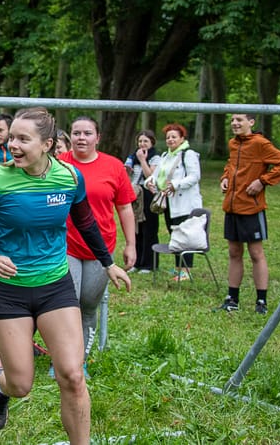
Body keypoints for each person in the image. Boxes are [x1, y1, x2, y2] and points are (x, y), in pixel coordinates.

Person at [0, 107, 131, 440]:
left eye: (23, 139)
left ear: (47, 144)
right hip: (9, 291)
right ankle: (0, 387)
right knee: (21, 384)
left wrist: (107, 262)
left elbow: (85, 222)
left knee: (72, 375)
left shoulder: (68, 177)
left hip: (55, 286)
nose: (13, 145)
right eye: (12, 137)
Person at [59, 116, 136, 371]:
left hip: (100, 248)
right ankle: (64, 360)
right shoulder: (59, 164)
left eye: (87, 133)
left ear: (98, 137)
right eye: (76, 133)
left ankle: (80, 360)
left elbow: (125, 207)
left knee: (88, 304)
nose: (81, 138)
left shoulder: (113, 167)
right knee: (67, 304)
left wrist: (131, 244)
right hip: (66, 244)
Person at [217, 113, 280, 314]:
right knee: (234, 252)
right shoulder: (233, 144)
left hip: (251, 208)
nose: (235, 123)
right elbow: (231, 164)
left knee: (256, 254)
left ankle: (261, 302)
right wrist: (225, 177)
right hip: (232, 207)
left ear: (251, 122)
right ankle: (232, 298)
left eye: (239, 120)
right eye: (232, 120)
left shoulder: (261, 143)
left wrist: (262, 181)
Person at [144, 123, 203, 281]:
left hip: (185, 204)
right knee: (175, 235)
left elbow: (194, 176)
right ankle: (179, 269)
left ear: (182, 138)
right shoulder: (165, 156)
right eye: (168, 137)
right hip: (168, 202)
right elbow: (156, 175)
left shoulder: (188, 154)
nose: (170, 140)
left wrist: (177, 185)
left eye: (174, 137)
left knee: (185, 236)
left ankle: (186, 271)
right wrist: (149, 182)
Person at [124, 130, 161, 273]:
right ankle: (136, 262)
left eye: (146, 141)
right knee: (136, 229)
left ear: (152, 142)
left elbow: (151, 176)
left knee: (149, 229)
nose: (142, 144)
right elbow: (126, 175)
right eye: (140, 141)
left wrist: (143, 160)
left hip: (148, 194)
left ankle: (149, 264)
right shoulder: (132, 157)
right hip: (135, 194)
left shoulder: (155, 158)